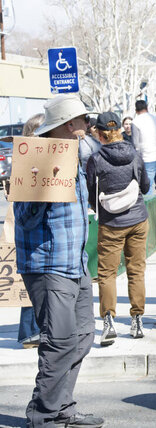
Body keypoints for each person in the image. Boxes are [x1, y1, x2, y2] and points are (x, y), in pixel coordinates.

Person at [15, 94, 104, 427]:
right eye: (83, 121)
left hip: (75, 263)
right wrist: (44, 189)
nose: (87, 126)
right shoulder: (35, 159)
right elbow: (23, 217)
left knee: (82, 337)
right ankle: (43, 415)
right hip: (48, 265)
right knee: (60, 342)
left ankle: (61, 406)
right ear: (70, 125)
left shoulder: (75, 155)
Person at [86, 112, 150, 346]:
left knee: (107, 274)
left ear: (100, 134)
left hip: (111, 223)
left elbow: (91, 194)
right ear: (119, 131)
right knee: (136, 270)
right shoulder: (134, 154)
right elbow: (145, 185)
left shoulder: (95, 159)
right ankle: (137, 319)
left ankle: (108, 320)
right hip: (138, 219)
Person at [8, 114, 45, 349]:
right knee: (35, 285)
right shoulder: (28, 161)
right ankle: (30, 332)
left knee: (35, 286)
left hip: (34, 239)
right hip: (33, 237)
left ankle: (30, 332)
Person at [131, 100, 156, 224]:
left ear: (136, 110)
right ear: (147, 107)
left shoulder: (136, 122)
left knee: (147, 187)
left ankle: (150, 217)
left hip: (147, 158)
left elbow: (135, 144)